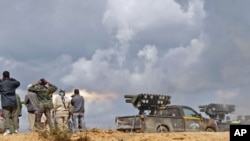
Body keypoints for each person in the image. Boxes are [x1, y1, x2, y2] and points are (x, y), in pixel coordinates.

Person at [0, 71, 20, 136]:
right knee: (15, 116)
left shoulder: (1, 84)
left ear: (3, 76)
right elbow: (18, 83)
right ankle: (16, 130)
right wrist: (12, 79)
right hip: (13, 102)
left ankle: (7, 130)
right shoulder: (12, 83)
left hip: (5, 102)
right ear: (9, 75)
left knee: (6, 117)